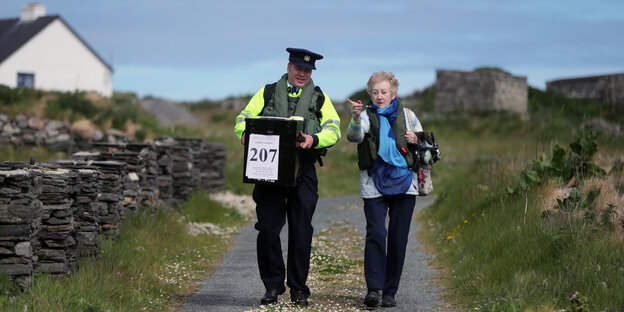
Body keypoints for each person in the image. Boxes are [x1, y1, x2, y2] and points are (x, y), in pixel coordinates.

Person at [234, 48, 341, 306]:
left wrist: (313, 139)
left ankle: (298, 289)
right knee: (269, 230)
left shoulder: (320, 98)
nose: (303, 73)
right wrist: (245, 134)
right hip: (268, 170)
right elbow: (243, 119)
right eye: (298, 68)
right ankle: (272, 286)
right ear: (289, 66)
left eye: (307, 70)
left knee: (301, 230)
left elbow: (334, 128)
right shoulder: (266, 92)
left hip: (303, 169)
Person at [346, 71, 423, 308]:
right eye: (375, 92)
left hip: (405, 184)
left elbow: (425, 142)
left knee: (398, 240)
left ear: (394, 93)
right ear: (371, 94)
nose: (380, 96)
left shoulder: (409, 116)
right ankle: (374, 290)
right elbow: (354, 137)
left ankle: (390, 291)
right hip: (374, 184)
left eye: (384, 92)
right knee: (377, 235)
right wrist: (357, 118)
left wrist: (416, 140)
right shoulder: (366, 116)